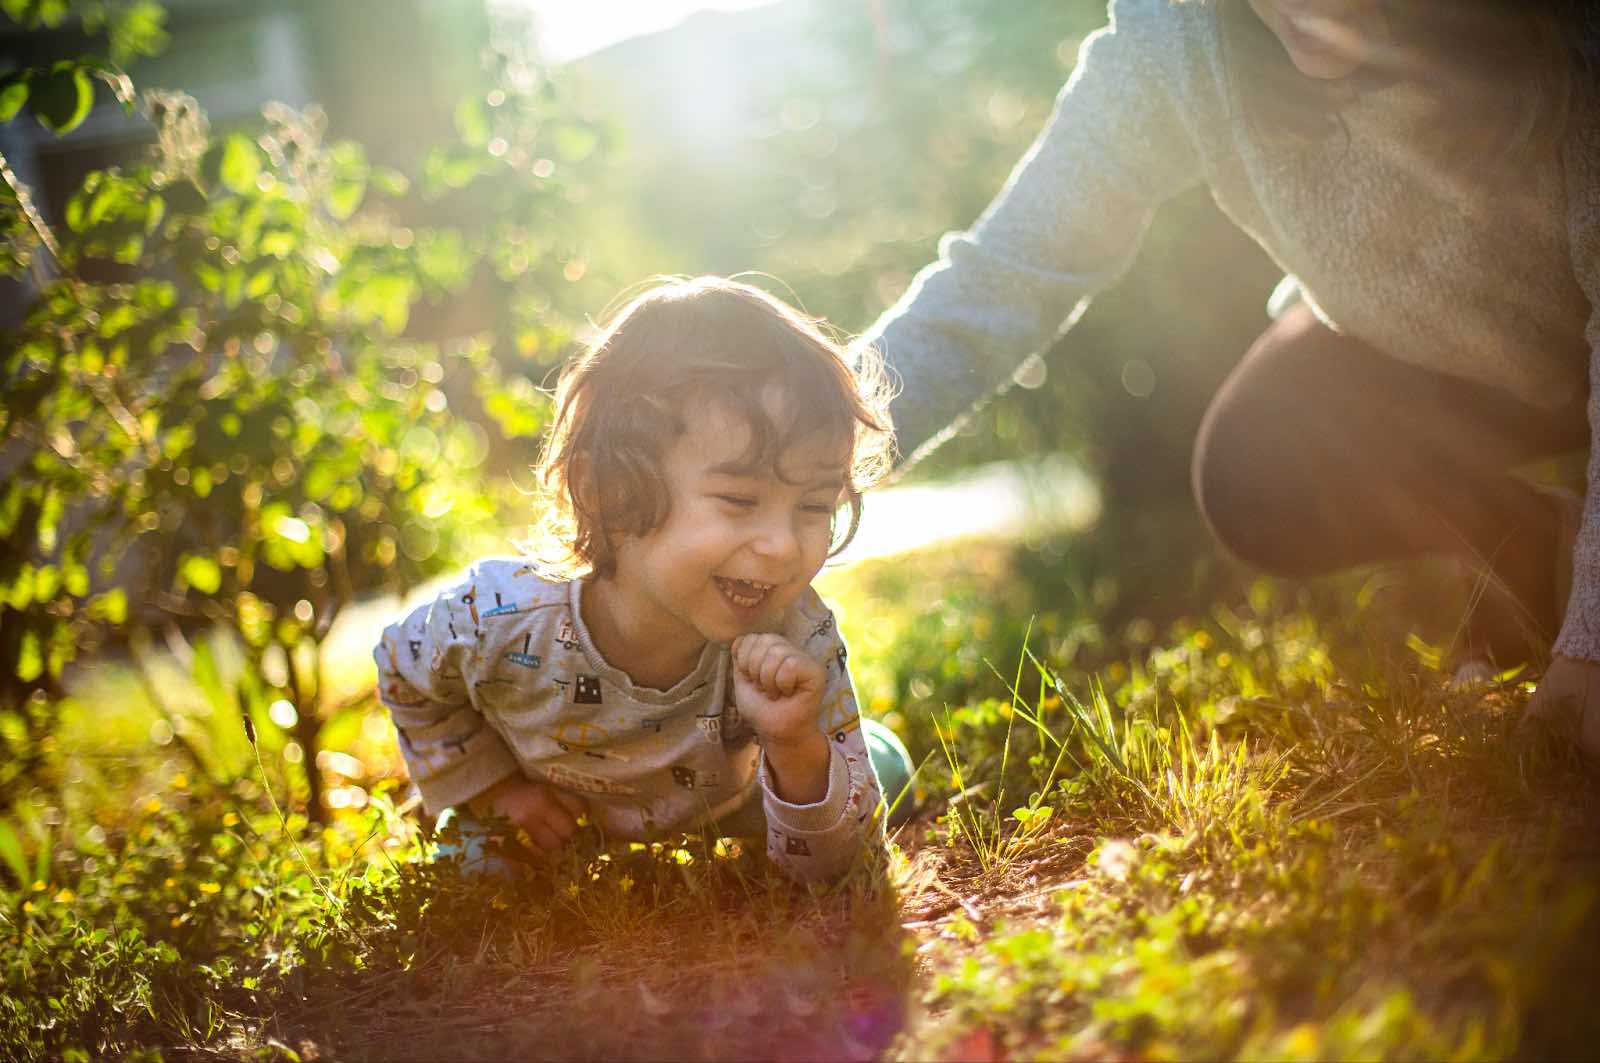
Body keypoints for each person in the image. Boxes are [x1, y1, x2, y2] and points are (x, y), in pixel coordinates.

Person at [857, 0, 1600, 755]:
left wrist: (1589, 649)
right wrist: (811, 445)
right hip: (1430, 353)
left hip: (1578, 336)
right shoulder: (1181, 37)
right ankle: (1544, 553)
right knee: (1257, 461)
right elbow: (1006, 275)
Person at [373, 276, 913, 882]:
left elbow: (845, 873)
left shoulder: (796, 640)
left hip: (737, 806)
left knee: (871, 778)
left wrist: (794, 748)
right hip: (562, 817)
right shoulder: (497, 618)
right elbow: (403, 665)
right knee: (472, 865)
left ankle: (871, 750)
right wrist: (492, 789)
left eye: (814, 507)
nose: (783, 545)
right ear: (609, 493)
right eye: (739, 500)